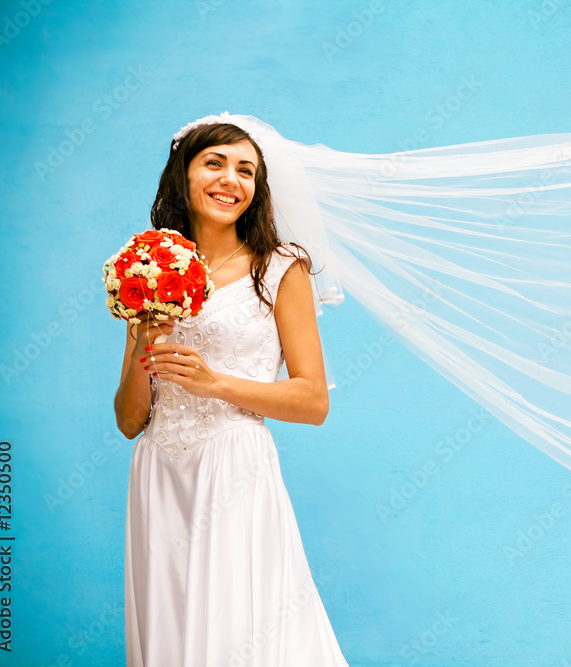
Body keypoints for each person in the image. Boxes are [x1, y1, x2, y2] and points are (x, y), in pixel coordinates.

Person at [113, 117, 349, 666]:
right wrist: (145, 343)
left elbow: (314, 401)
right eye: (214, 163)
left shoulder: (280, 268)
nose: (230, 179)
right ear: (184, 175)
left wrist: (214, 382)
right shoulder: (150, 269)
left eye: (246, 170)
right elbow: (128, 421)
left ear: (258, 189)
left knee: (241, 629)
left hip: (233, 468)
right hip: (158, 472)